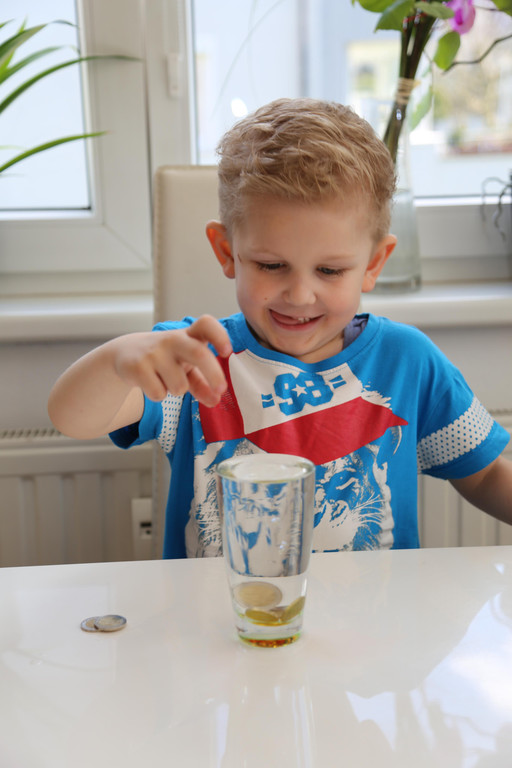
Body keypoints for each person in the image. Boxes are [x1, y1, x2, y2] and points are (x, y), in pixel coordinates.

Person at [48, 98, 512, 558]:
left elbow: (486, 475)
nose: (300, 295)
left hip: (378, 608)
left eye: (329, 271)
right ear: (227, 252)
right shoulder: (192, 359)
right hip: (218, 608)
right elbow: (71, 419)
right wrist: (120, 359)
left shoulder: (407, 360)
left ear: (373, 264)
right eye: (271, 265)